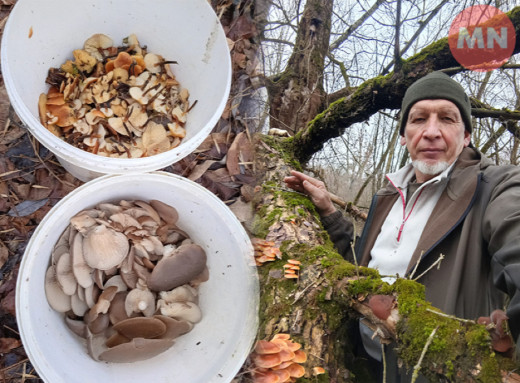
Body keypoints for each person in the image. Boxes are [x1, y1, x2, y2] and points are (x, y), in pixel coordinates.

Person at [284, 71, 520, 381]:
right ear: (404, 134)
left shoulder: (498, 186)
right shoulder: (388, 195)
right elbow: (359, 270)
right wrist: (329, 212)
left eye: (447, 119)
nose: (431, 131)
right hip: (363, 366)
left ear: (466, 136)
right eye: (419, 119)